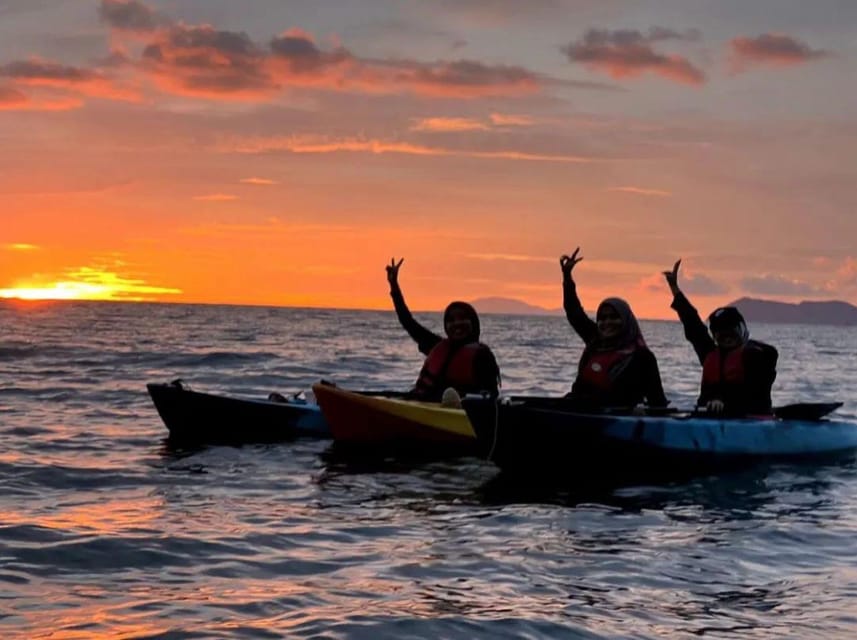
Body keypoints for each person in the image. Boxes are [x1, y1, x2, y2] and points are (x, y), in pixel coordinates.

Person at [663, 259, 778, 416]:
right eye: (720, 334)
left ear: (742, 330)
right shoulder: (709, 353)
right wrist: (674, 289)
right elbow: (693, 324)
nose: (726, 337)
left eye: (731, 332)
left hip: (746, 420)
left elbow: (755, 392)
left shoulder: (756, 356)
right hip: (710, 418)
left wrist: (723, 402)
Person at [560, 247, 668, 410]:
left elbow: (657, 402)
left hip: (618, 424)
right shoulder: (595, 341)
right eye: (602, 318)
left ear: (626, 320)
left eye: (614, 317)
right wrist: (567, 278)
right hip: (581, 415)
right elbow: (574, 313)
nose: (607, 322)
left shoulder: (642, 357)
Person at [386, 258, 501, 404]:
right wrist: (394, 286)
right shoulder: (436, 345)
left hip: (458, 416)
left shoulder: (482, 357)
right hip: (421, 404)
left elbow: (491, 398)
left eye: (463, 318)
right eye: (451, 320)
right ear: (446, 326)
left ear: (474, 323)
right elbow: (408, 322)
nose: (457, 323)